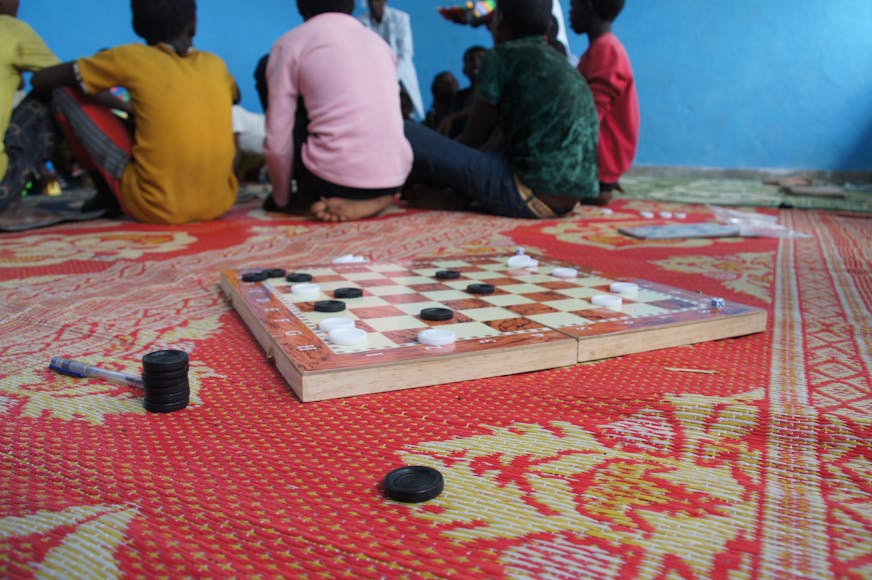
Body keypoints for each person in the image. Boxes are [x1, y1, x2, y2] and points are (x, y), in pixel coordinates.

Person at [29, 0, 239, 225]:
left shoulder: (130, 57)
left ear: (137, 25)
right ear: (194, 24)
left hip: (154, 205)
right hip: (220, 202)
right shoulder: (215, 64)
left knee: (63, 91)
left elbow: (41, 79)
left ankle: (106, 194)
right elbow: (236, 96)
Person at [403, 0, 599, 218]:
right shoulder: (561, 63)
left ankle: (447, 195)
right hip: (571, 198)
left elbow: (473, 137)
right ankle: (457, 197)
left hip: (528, 194)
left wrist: (431, 167)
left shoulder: (501, 57)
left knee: (405, 130)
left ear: (499, 20)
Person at [264, 0, 412, 222]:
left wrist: (281, 198)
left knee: (269, 74)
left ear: (300, 6)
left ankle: (305, 196)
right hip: (395, 175)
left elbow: (278, 137)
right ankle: (380, 198)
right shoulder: (380, 44)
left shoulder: (290, 43)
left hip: (333, 180)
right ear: (352, 5)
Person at [570, 0, 639, 204]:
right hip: (600, 160)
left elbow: (590, 117)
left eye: (573, 6)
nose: (570, 13)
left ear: (588, 6)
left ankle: (598, 187)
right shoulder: (599, 48)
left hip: (602, 159)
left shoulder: (607, 50)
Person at [0, 0, 59, 207]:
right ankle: (103, 186)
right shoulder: (11, 29)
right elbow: (64, 76)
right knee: (59, 91)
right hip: (2, 183)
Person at [359, 0, 425, 120]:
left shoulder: (401, 18)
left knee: (405, 117)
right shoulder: (361, 23)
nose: (374, 4)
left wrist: (391, 77)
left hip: (400, 77)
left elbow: (405, 54)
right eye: (370, 1)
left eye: (377, 0)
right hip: (375, 78)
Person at [437, 45, 486, 137]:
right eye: (471, 60)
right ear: (464, 69)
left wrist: (454, 117)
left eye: (481, 59)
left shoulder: (498, 93)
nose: (476, 62)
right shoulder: (460, 97)